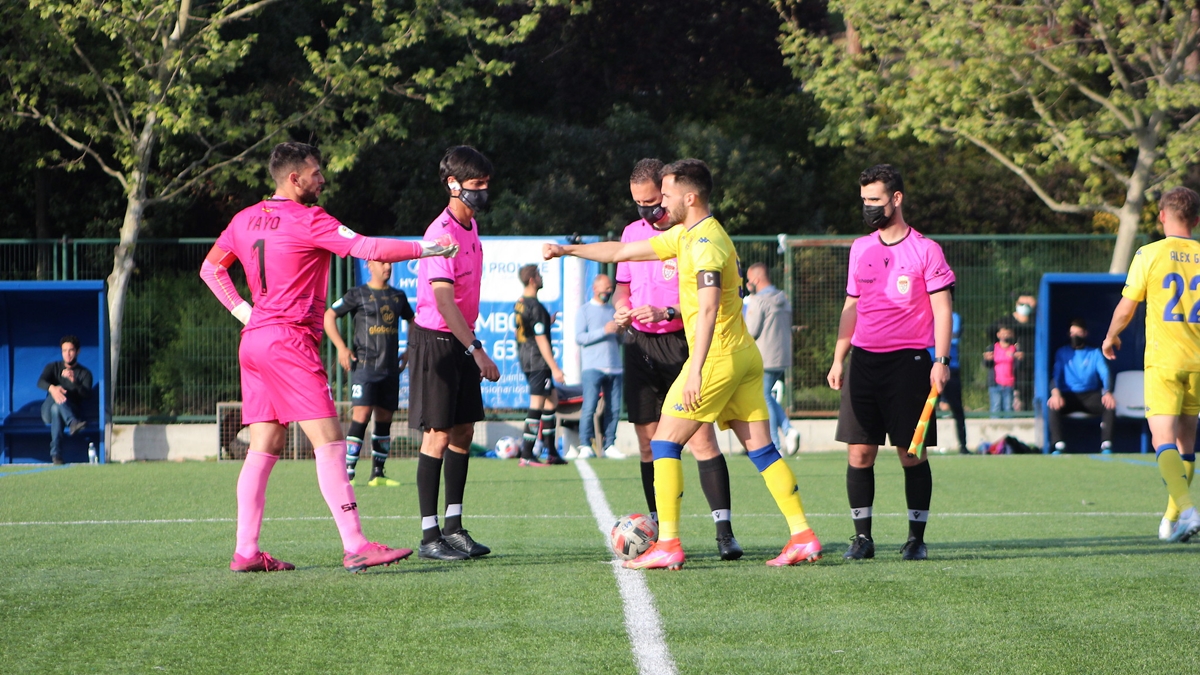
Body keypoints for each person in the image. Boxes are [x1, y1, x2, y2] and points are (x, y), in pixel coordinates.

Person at [547, 158, 821, 569]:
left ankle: (669, 543)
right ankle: (803, 535)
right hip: (743, 356)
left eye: (669, 193)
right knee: (761, 449)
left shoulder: (706, 243)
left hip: (717, 358)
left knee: (664, 443)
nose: (662, 201)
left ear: (689, 197)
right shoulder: (686, 236)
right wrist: (568, 250)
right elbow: (622, 251)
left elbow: (709, 310)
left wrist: (695, 370)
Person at [200, 141, 457, 573]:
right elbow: (369, 249)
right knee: (332, 442)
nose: (322, 179)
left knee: (265, 443)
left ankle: (246, 550)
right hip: (288, 342)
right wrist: (429, 249)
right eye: (315, 173)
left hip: (255, 341)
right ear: (293, 179)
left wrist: (247, 313)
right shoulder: (308, 220)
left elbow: (211, 269)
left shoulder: (243, 219)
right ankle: (355, 544)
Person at [612, 158, 743, 561]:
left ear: (667, 193)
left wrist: (666, 314)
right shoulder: (632, 234)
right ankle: (660, 528)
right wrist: (623, 309)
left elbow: (709, 305)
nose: (646, 210)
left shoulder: (691, 234)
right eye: (638, 203)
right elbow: (623, 287)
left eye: (652, 200)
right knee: (649, 442)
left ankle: (725, 532)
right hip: (639, 348)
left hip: (683, 346)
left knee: (702, 439)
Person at [827, 163, 955, 562]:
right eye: (863, 200)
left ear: (896, 199)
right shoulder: (860, 248)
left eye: (875, 200)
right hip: (864, 363)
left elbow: (942, 308)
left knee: (910, 453)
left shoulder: (926, 249)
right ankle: (862, 539)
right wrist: (838, 357)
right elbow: (852, 304)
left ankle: (916, 538)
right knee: (859, 453)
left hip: (910, 363)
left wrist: (941, 359)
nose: (867, 207)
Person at [407, 145, 502, 561]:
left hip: (461, 338)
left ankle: (454, 527)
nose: (483, 192)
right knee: (439, 434)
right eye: (476, 185)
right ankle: (429, 538)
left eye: (486, 185)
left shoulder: (471, 226)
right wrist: (477, 349)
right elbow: (443, 302)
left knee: (463, 432)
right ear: (453, 185)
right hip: (438, 342)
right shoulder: (439, 234)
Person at [1104, 186, 1200, 542]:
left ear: (1161, 216)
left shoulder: (1150, 253)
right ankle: (1170, 520)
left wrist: (1111, 336)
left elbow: (1127, 306)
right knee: (1186, 443)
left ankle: (1188, 511)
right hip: (1198, 363)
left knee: (1163, 440)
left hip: (1164, 361)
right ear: (1197, 220)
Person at [324, 259, 414, 486]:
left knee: (385, 419)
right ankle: (348, 473)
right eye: (381, 262)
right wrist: (342, 347)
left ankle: (378, 474)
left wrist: (410, 349)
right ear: (369, 267)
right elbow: (329, 316)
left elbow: (413, 321)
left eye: (389, 263)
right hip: (365, 366)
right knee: (361, 415)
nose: (387, 267)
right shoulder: (358, 294)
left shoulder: (398, 296)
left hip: (390, 368)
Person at [514, 263, 568, 466]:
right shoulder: (534, 306)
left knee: (551, 402)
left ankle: (551, 451)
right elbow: (540, 339)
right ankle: (526, 454)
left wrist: (547, 322)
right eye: (538, 275)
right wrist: (555, 368)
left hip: (527, 358)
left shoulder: (521, 302)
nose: (541, 278)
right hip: (537, 361)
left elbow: (524, 329)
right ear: (532, 280)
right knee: (537, 405)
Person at [745, 262, 799, 455]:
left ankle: (776, 444)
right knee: (768, 395)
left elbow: (751, 330)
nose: (748, 283)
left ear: (756, 279)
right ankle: (788, 429)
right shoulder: (782, 298)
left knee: (764, 397)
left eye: (750, 280)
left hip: (764, 357)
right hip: (782, 356)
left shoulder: (758, 301)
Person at [572, 273, 622, 459]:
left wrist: (620, 331)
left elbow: (620, 340)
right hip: (593, 367)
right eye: (605, 288)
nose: (608, 292)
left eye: (610, 289)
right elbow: (580, 337)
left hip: (615, 366)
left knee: (614, 409)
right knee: (590, 407)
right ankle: (585, 444)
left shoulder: (613, 311)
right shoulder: (584, 311)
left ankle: (610, 444)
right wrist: (603, 331)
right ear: (595, 289)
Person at [1047, 319, 1115, 454]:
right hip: (1068, 396)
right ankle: (1058, 445)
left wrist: (1108, 392)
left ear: (1085, 333)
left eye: (1079, 333)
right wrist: (1055, 393)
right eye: (1072, 333)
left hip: (1090, 396)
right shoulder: (1062, 352)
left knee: (1109, 405)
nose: (1075, 336)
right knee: (1052, 405)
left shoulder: (1094, 353)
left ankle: (1106, 445)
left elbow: (1105, 373)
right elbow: (1056, 375)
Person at [38, 335, 92, 464]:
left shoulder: (85, 373)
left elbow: (87, 395)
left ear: (78, 351)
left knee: (57, 408)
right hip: (47, 413)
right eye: (64, 350)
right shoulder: (53, 367)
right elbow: (40, 382)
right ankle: (72, 422)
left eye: (71, 350)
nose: (67, 354)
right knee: (58, 391)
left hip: (70, 410)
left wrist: (75, 382)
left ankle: (56, 455)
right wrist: (53, 389)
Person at [988, 293, 1037, 410]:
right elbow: (991, 330)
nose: (1025, 306)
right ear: (1016, 304)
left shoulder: (1036, 320)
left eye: (1028, 304)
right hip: (1010, 365)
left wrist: (1036, 305)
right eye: (1022, 303)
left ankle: (1026, 414)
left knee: (1028, 393)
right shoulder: (1008, 320)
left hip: (1031, 363)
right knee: (1009, 398)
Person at [939, 310, 969, 454]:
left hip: (951, 368)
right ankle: (918, 444)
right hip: (927, 366)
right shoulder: (922, 314)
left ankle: (963, 445)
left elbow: (953, 336)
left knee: (957, 409)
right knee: (923, 408)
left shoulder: (955, 317)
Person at [984, 325, 1022, 413]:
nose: (1005, 335)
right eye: (1003, 333)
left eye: (1008, 333)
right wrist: (987, 359)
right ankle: (994, 426)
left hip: (1009, 383)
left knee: (1008, 408)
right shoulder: (992, 348)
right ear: (998, 335)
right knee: (995, 407)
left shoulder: (1015, 349)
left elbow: (1019, 366)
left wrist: (1019, 358)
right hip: (995, 384)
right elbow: (986, 364)